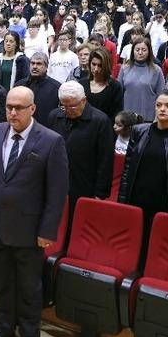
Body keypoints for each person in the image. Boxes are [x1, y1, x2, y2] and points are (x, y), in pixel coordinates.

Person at [0, 86, 68, 337]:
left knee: (28, 287)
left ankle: (28, 331)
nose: (12, 113)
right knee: (0, 282)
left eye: (19, 108)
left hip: (29, 230)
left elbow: (57, 193)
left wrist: (47, 230)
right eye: (9, 107)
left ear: (32, 109)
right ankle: (3, 327)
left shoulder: (50, 140)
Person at [118, 90, 168, 263]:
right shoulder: (139, 131)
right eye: (159, 105)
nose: (162, 109)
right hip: (137, 198)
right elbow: (127, 169)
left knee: (159, 251)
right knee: (134, 248)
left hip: (167, 202)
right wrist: (122, 202)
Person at [47, 81, 115, 236]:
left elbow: (105, 161)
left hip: (84, 184)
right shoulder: (54, 116)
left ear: (83, 100)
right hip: (56, 183)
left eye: (72, 106)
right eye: (63, 106)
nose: (67, 110)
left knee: (77, 228)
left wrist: (100, 193)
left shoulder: (100, 121)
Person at [118, 38, 166, 121]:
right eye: (137, 50)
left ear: (149, 52)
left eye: (144, 50)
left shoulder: (156, 70)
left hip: (149, 118)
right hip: (127, 118)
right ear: (133, 51)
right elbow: (118, 93)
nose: (140, 53)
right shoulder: (124, 68)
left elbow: (161, 95)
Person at [12, 52, 61, 127]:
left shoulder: (56, 88)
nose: (34, 66)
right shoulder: (19, 86)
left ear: (46, 66)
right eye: (32, 63)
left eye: (39, 64)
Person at [81, 47, 124, 120]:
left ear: (106, 66)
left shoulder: (115, 86)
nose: (96, 69)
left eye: (100, 65)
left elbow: (116, 113)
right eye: (94, 64)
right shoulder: (82, 84)